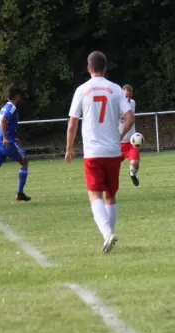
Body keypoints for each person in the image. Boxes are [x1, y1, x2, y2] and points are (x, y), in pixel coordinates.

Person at [66, 51, 135, 253]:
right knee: (110, 195)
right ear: (105, 68)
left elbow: (72, 124)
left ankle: (107, 234)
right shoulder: (115, 89)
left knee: (94, 194)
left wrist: (69, 149)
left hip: (93, 152)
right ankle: (108, 236)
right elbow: (130, 116)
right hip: (113, 151)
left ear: (88, 68)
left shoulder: (82, 90)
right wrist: (120, 133)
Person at [119, 84, 140, 186]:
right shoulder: (115, 106)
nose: (128, 99)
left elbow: (130, 120)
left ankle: (132, 174)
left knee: (135, 164)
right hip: (117, 143)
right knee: (112, 168)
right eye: (125, 96)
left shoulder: (132, 103)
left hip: (131, 141)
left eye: (130, 96)